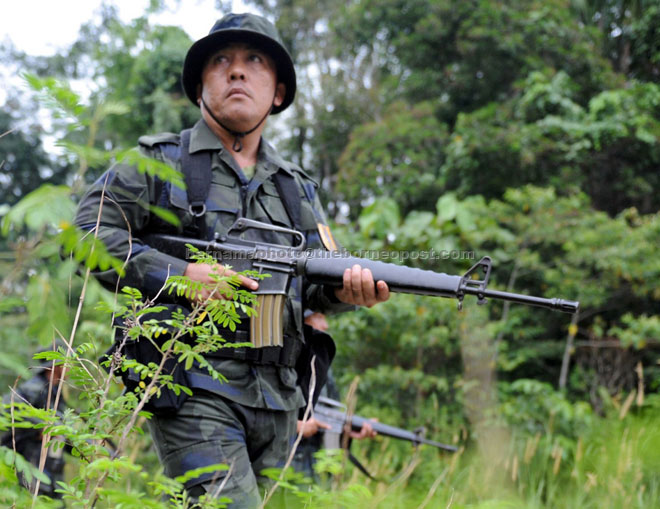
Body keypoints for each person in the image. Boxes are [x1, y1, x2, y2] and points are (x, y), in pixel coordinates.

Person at [74, 12, 389, 507]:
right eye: (221, 61)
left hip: (280, 400)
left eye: (253, 60)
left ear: (279, 92)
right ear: (200, 88)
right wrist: (180, 275)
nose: (236, 71)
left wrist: (346, 291)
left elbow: (315, 281)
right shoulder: (159, 162)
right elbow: (87, 235)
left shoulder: (296, 187)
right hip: (193, 385)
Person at [294, 312, 376, 481]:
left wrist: (346, 430)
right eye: (318, 317)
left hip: (314, 469)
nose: (326, 325)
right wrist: (295, 426)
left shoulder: (322, 365)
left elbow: (329, 414)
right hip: (285, 467)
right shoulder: (283, 362)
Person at [1, 348, 68, 499]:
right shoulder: (35, 388)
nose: (70, 368)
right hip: (32, 461)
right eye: (66, 363)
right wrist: (40, 427)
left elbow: (61, 430)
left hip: (51, 465)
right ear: (56, 365)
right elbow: (8, 407)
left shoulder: (55, 391)